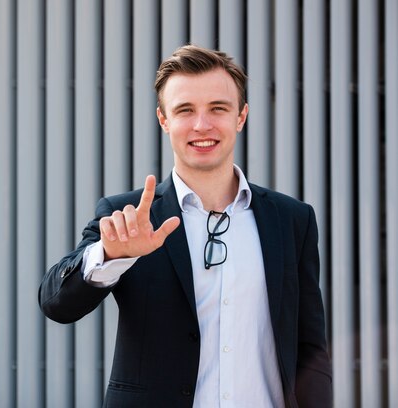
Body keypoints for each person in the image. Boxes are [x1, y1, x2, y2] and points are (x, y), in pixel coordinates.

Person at [38, 44, 332, 407]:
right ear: (164, 120)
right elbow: (56, 303)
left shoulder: (292, 219)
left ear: (241, 117)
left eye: (218, 109)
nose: (201, 125)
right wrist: (111, 254)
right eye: (185, 110)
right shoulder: (129, 216)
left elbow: (310, 347)